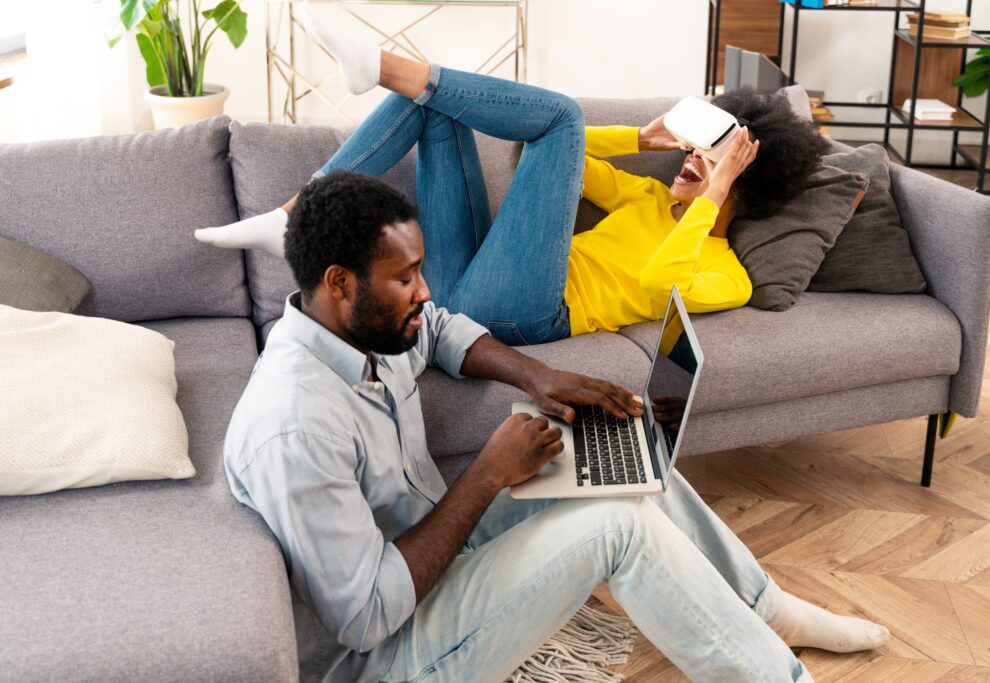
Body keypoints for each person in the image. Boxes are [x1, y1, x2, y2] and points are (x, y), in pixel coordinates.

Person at [222, 168, 890, 683]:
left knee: (622, 453)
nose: (424, 292)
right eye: (406, 277)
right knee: (616, 526)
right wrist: (487, 473)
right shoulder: (295, 426)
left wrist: (541, 379)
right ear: (339, 283)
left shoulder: (362, 331)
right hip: (391, 652)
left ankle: (768, 609)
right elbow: (368, 615)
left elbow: (442, 330)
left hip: (429, 549)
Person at [195, 2, 829, 347]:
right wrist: (640, 138)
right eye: (696, 151)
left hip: (531, 315)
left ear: (743, 185)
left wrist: (713, 191)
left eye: (708, 159)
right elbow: (552, 161)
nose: (690, 161)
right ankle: (292, 216)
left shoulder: (729, 277)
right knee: (436, 107)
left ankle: (379, 64)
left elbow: (660, 277)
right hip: (473, 281)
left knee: (561, 115)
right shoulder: (644, 195)